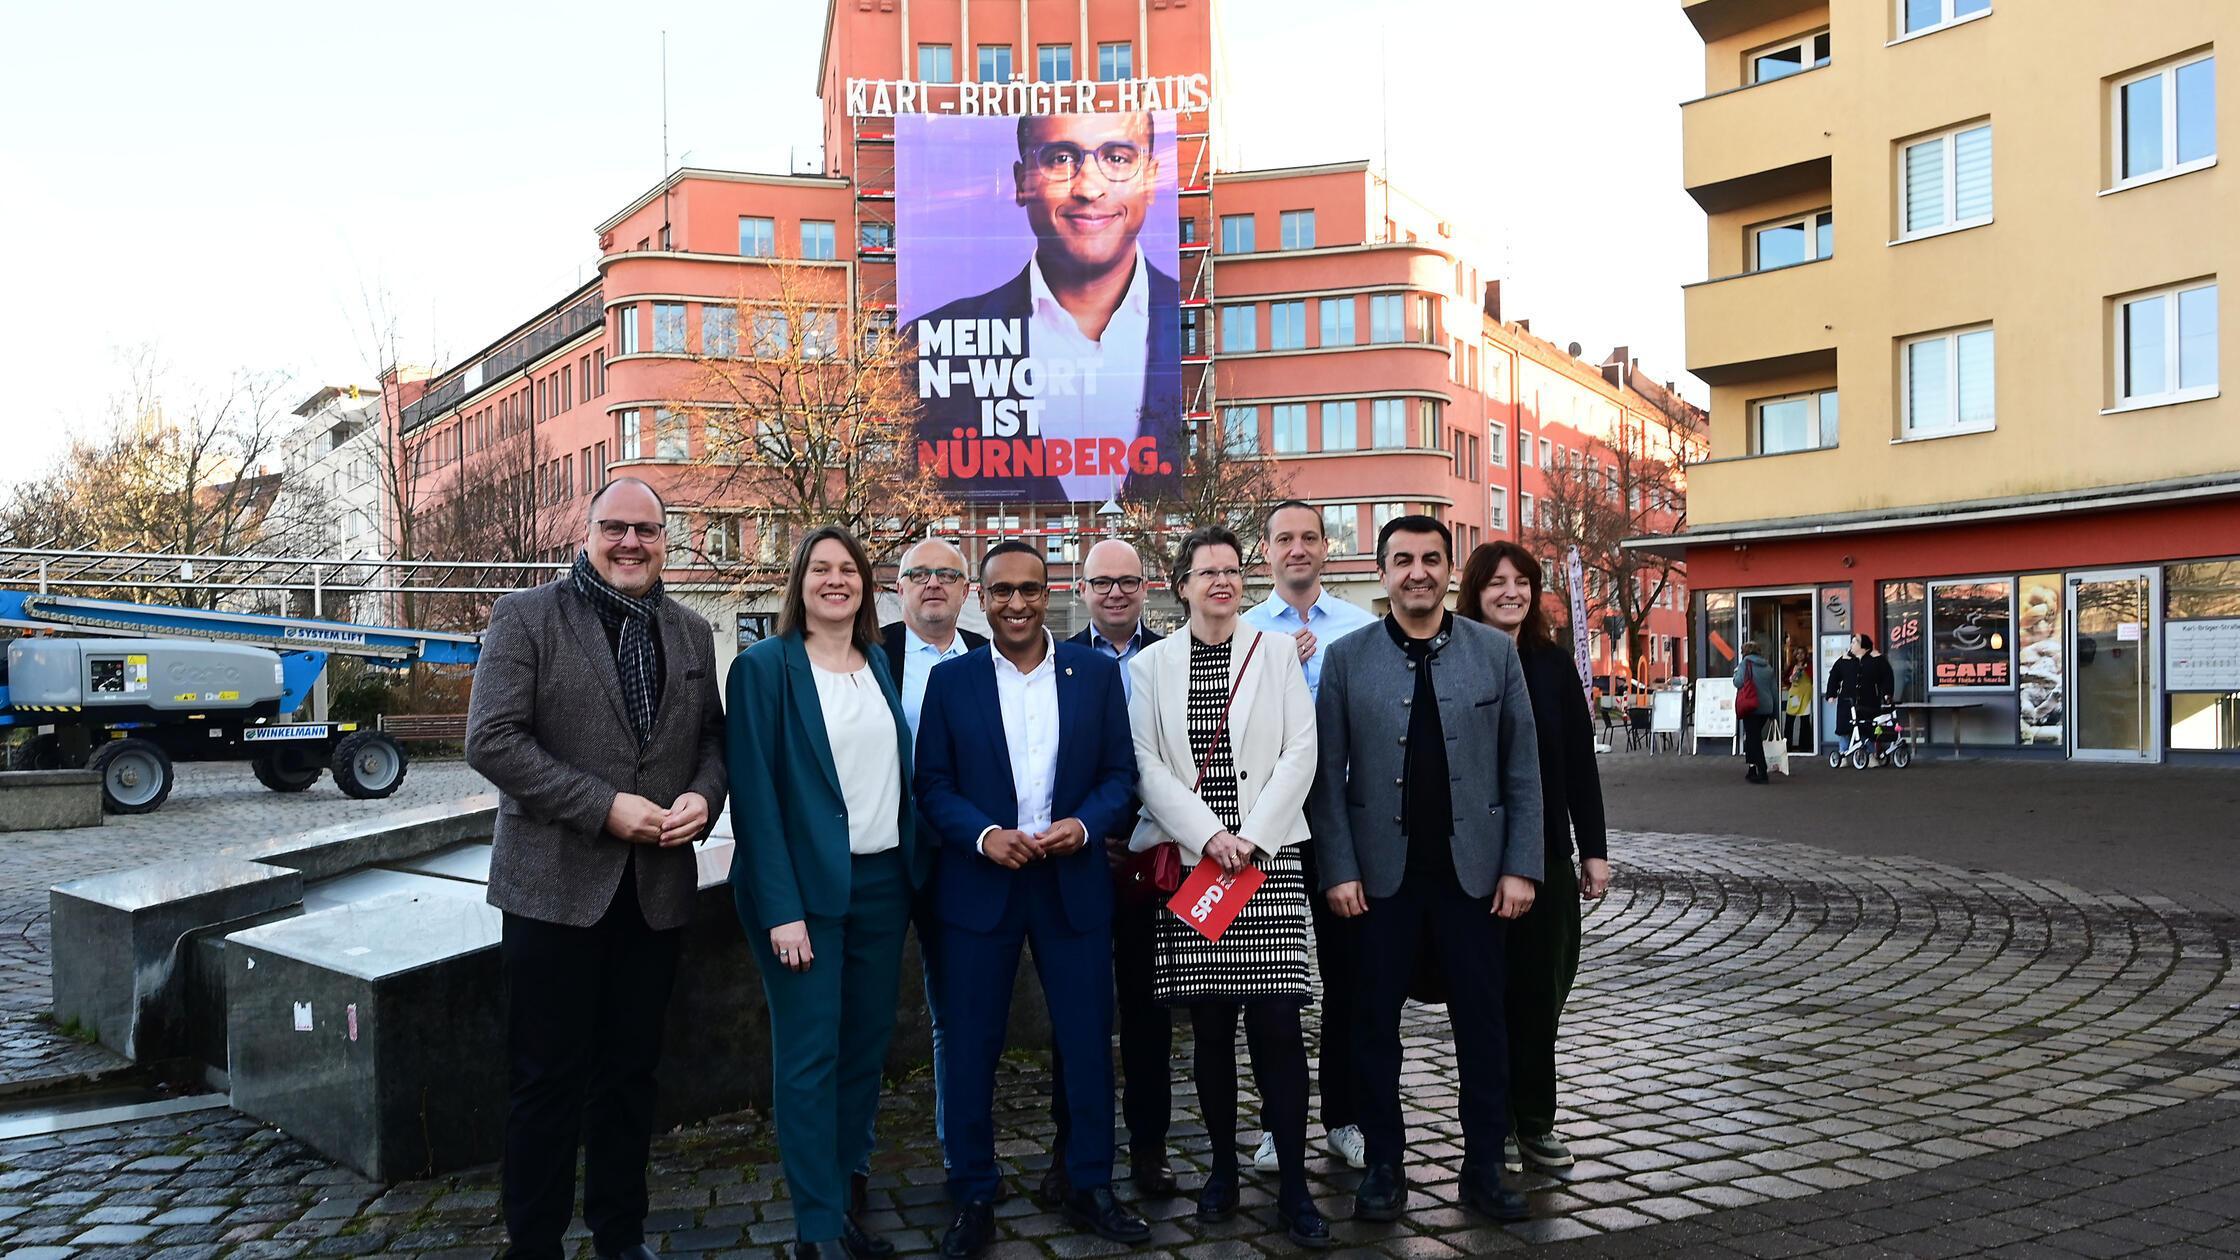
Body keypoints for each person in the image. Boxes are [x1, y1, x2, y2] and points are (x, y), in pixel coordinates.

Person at [465, 477, 728, 1260]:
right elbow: (494, 740)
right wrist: (602, 806)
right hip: (552, 889)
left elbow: (713, 742)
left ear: (664, 542)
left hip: (654, 895)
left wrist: (701, 797)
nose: (631, 544)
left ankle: (622, 1235)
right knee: (545, 1082)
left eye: (646, 532)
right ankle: (535, 1243)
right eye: (616, 528)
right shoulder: (527, 616)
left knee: (631, 1079)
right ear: (587, 534)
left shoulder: (689, 630)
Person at [914, 540, 1150, 1259]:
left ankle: (1089, 1183)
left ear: (1051, 594)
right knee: (973, 1048)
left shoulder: (1095, 675)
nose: (1016, 603)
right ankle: (974, 1192)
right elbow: (932, 786)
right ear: (980, 599)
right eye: (1002, 591)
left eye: (1030, 589)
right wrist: (983, 835)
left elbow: (1121, 775)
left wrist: (1086, 823)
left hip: (1071, 884)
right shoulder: (951, 683)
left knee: (1085, 1043)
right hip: (980, 887)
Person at [1307, 514, 1543, 1225]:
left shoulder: (1495, 657)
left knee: (1484, 1027)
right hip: (1379, 882)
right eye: (1403, 559)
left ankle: (1484, 1167)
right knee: (1373, 1027)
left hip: (1475, 880)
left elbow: (1522, 769)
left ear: (1449, 570)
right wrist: (1339, 868)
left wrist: (1522, 867)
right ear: (1382, 573)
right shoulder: (1347, 660)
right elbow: (1325, 777)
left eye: (1432, 559)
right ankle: (1383, 1166)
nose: (1418, 571)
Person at [726, 526, 932, 1260]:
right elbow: (752, 798)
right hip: (802, 894)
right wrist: (782, 911)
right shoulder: (763, 668)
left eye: (849, 569)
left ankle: (844, 1191)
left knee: (863, 1049)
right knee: (809, 1057)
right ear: (799, 582)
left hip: (882, 885)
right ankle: (816, 1228)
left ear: (866, 586)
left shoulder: (877, 662)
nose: (836, 580)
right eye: (821, 568)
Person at [1126, 525, 1329, 1247]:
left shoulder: (1276, 653)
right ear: (1181, 584)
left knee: (1278, 1028)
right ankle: (1220, 1171)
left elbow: (1301, 749)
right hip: (1196, 866)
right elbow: (1147, 766)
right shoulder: (1151, 666)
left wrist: (1255, 834)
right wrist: (1208, 836)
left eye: (1231, 570)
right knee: (1210, 1029)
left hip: (1267, 865)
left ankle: (1297, 1187)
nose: (1222, 581)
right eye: (1206, 571)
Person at [909, 112, 1182, 503]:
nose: (1089, 188)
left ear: (1152, 178)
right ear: (1022, 183)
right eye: (1060, 158)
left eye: (1117, 159)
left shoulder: (1191, 327)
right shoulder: (930, 342)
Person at [1456, 543, 1611, 1177]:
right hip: (1468, 861)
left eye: (1522, 582)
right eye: (1496, 583)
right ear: (1474, 591)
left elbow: (1580, 764)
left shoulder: (1551, 666)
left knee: (1540, 996)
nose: (1511, 593)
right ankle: (1490, 1127)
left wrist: (1593, 850)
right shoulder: (1453, 659)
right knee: (1484, 1000)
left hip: (1543, 856)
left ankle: (1536, 1122)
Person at [1239, 499, 1378, 1174]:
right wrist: (1273, 670)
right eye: (1283, 538)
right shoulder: (1241, 632)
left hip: (1343, 824)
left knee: (1348, 978)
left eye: (1308, 538)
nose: (1297, 548)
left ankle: (1343, 1115)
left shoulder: (1360, 628)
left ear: (1327, 548)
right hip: (1267, 826)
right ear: (1264, 552)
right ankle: (1278, 1122)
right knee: (1271, 986)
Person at [1053, 538, 1175, 1201]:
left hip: (1154, 860)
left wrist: (1144, 835)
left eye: (1128, 582)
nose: (1116, 594)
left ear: (1148, 587)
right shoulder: (1058, 662)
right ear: (1083, 590)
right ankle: (1067, 1142)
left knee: (1148, 1014)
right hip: (1081, 860)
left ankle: (1149, 1148)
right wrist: (1089, 831)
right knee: (1076, 1015)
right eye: (1103, 583)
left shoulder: (1171, 659)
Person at [875, 536, 986, 1202]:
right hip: (881, 857)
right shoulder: (868, 654)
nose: (934, 585)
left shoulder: (984, 658)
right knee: (863, 1018)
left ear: (968, 590)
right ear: (899, 586)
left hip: (958, 862)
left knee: (956, 1015)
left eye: (949, 575)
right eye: (921, 574)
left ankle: (959, 1155)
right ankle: (853, 1170)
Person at [1733, 640, 1781, 783]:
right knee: (1752, 738)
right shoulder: (1768, 667)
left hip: (1751, 706)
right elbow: (1774, 691)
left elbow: (1738, 682)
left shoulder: (1745, 664)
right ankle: (1752, 769)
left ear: (1745, 652)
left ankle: (1762, 771)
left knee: (1754, 740)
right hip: (1766, 707)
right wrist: (1774, 714)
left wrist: (1736, 673)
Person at [1824, 640, 1861, 756]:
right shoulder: (1843, 661)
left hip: (1863, 699)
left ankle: (1868, 754)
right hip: (1847, 699)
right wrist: (1831, 694)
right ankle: (1843, 753)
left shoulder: (1865, 660)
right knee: (1845, 727)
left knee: (1865, 726)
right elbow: (1834, 677)